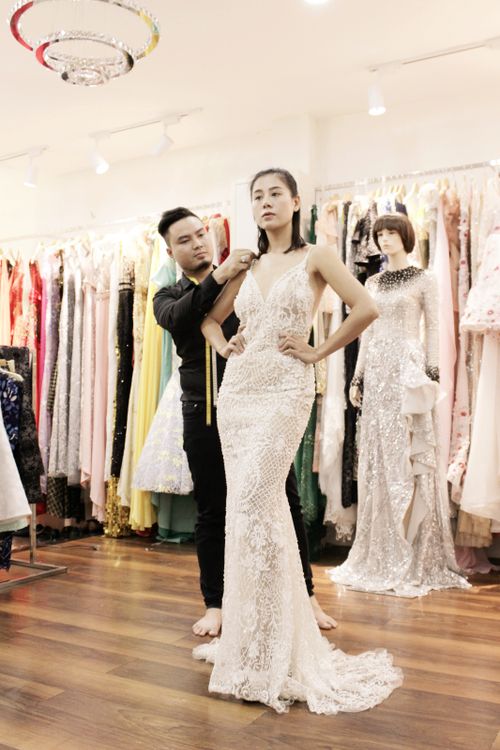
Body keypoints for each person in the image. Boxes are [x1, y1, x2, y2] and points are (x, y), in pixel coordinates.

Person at [194, 168, 403, 714]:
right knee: (250, 513)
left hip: (285, 390)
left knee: (255, 501)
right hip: (239, 393)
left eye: (274, 194)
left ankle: (275, 645)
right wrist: (224, 345)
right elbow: (209, 320)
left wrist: (318, 351)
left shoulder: (318, 256)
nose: (265, 203)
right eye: (256, 196)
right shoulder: (245, 263)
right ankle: (257, 640)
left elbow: (367, 307)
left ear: (294, 202)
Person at [153, 207, 336, 638]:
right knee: (212, 507)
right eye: (184, 240)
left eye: (200, 234)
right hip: (203, 408)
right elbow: (184, 319)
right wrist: (219, 277)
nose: (197, 243)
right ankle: (215, 603)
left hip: (258, 404)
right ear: (170, 251)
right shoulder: (168, 295)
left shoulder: (246, 274)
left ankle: (306, 594)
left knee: (284, 497)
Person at [329, 213, 469, 597]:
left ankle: (415, 549)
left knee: (408, 455)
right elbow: (366, 331)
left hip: (407, 370)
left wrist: (432, 372)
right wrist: (357, 377)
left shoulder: (425, 279)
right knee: (379, 457)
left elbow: (434, 328)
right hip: (377, 372)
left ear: (406, 236)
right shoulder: (372, 282)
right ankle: (381, 550)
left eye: (391, 233)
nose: (384, 240)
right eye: (380, 234)